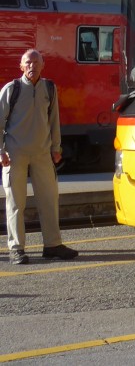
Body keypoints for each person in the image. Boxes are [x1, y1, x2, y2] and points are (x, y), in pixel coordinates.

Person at [1, 49, 78, 264]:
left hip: (42, 152)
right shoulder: (11, 90)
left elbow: (54, 120)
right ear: (21, 66)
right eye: (28, 62)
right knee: (16, 203)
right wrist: (1, 151)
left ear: (43, 65)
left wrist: (56, 147)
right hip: (14, 154)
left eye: (36, 62)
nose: (32, 66)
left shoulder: (49, 89)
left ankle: (52, 245)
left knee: (49, 199)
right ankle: (16, 248)